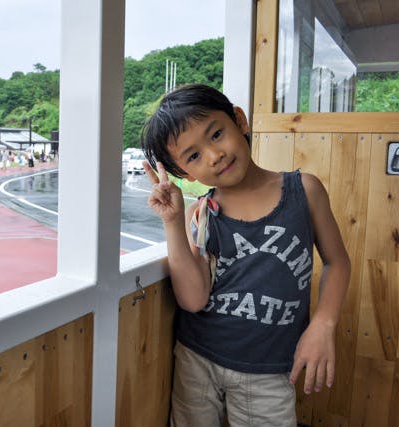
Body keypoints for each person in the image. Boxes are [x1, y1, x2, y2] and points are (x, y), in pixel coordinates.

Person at [140, 84, 350, 426]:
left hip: (270, 369)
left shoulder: (304, 192)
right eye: (193, 156)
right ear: (185, 173)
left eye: (216, 134)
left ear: (239, 121)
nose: (214, 155)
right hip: (197, 360)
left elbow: (337, 262)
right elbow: (193, 300)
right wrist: (173, 221)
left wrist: (323, 324)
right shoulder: (201, 214)